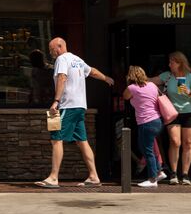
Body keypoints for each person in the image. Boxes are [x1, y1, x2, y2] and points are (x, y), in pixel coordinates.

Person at [35, 37, 114, 188]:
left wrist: (56, 101)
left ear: (59, 47)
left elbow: (62, 78)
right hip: (80, 106)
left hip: (68, 105)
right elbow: (92, 72)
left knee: (56, 138)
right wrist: (106, 78)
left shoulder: (62, 59)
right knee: (82, 141)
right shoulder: (77, 59)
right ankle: (93, 176)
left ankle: (53, 178)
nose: (51, 53)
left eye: (52, 50)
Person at [149, 51, 191, 185]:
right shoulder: (167, 76)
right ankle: (173, 174)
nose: (169, 64)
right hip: (172, 113)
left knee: (188, 143)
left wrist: (188, 92)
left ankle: (185, 175)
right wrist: (136, 76)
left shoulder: (190, 78)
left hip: (189, 112)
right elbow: (150, 81)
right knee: (175, 141)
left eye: (172, 62)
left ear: (179, 63)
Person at [123, 66, 167, 188]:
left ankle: (153, 179)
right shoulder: (152, 85)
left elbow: (125, 96)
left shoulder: (131, 88)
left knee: (147, 150)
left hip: (146, 122)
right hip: (157, 121)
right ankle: (159, 171)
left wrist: (128, 83)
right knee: (146, 149)